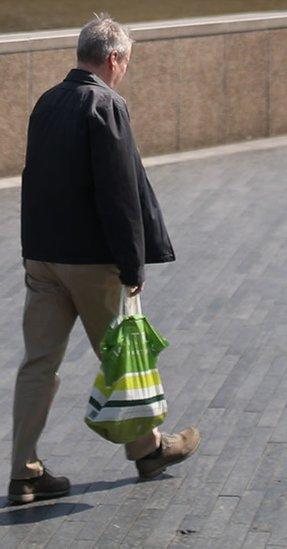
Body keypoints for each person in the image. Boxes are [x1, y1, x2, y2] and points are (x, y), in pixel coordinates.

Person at [10, 15, 200, 504]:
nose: (125, 71)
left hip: (43, 258)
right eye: (126, 62)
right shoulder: (106, 104)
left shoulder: (47, 102)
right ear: (113, 58)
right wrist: (133, 264)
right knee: (121, 355)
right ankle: (149, 451)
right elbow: (121, 194)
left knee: (38, 364)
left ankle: (24, 473)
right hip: (92, 263)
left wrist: (34, 251)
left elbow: (34, 178)